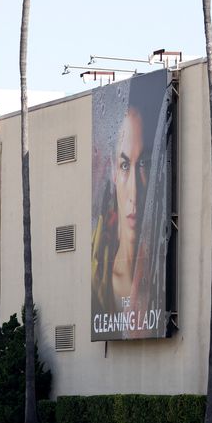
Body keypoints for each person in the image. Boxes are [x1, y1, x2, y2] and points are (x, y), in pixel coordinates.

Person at [92, 106, 151, 317]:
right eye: (125, 165)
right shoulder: (98, 280)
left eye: (143, 164)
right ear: (113, 172)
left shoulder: (161, 281)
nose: (134, 191)